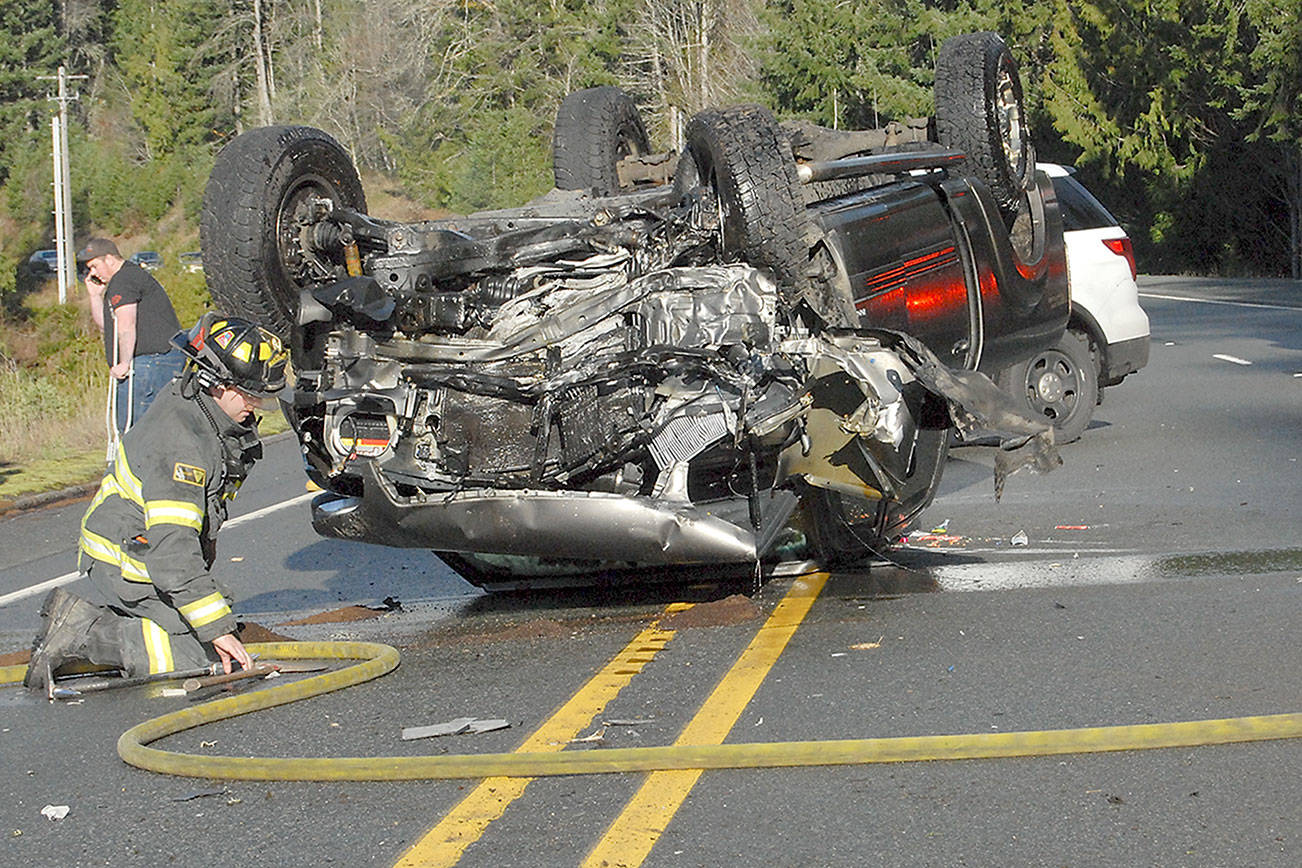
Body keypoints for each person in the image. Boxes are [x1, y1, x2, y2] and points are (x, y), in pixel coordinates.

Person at [23, 313, 289, 694]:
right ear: (218, 383)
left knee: (210, 616)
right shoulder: (182, 446)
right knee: (192, 658)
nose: (257, 405)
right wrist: (215, 629)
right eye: (251, 394)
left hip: (147, 549)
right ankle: (81, 633)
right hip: (125, 556)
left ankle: (140, 619)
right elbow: (172, 552)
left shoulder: (203, 412)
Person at [77, 237, 185, 434]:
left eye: (94, 266)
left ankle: (146, 464)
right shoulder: (125, 279)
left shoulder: (124, 280)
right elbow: (107, 326)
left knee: (136, 430)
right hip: (155, 361)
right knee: (144, 429)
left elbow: (127, 325)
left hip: (150, 362)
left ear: (109, 259)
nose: (93, 273)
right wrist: (94, 296)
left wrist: (124, 363)